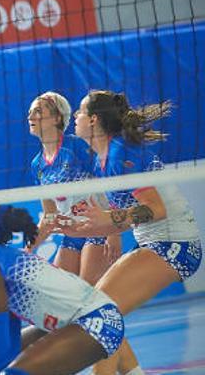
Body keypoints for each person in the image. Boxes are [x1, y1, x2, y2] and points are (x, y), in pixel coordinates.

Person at [59, 90, 202, 375]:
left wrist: (109, 218)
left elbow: (156, 209)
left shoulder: (120, 153)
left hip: (175, 244)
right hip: (156, 242)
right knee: (97, 311)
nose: (75, 117)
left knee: (100, 312)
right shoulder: (103, 159)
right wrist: (81, 228)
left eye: (80, 112)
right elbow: (123, 220)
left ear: (94, 120)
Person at [0, 206, 124, 375]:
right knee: (10, 364)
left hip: (97, 321)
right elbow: (9, 346)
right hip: (84, 319)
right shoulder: (0, 260)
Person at [26, 92, 124, 284]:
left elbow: (109, 185)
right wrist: (28, 248)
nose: (30, 117)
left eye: (38, 111)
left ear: (57, 118)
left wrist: (114, 231)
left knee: (88, 294)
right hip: (73, 232)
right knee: (64, 294)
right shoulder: (37, 164)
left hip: (98, 228)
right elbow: (49, 216)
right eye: (30, 112)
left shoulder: (77, 147)